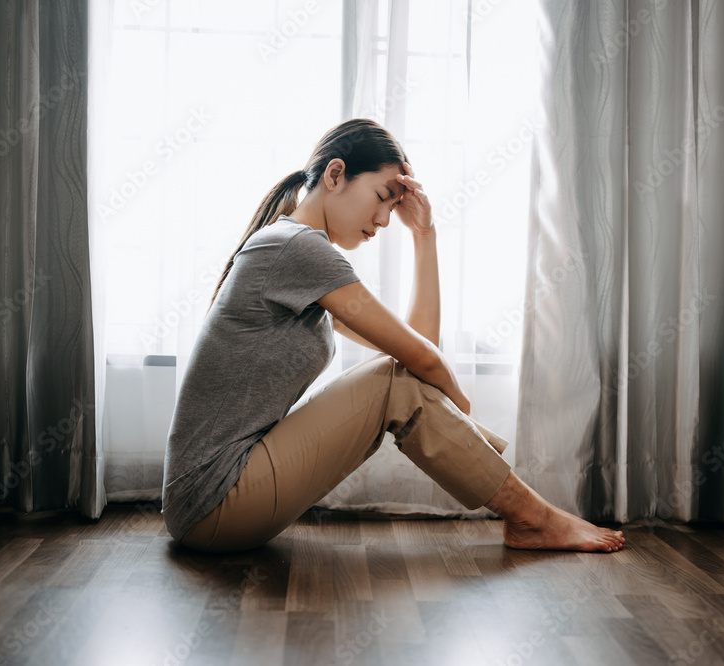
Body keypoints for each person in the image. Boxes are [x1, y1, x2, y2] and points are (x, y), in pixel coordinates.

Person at [160, 118, 625, 554]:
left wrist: (424, 235)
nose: (384, 221)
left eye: (392, 207)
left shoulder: (296, 254)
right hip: (213, 501)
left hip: (212, 502)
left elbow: (417, 347)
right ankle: (534, 518)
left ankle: (531, 516)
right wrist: (460, 406)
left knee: (397, 378)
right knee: (393, 381)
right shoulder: (298, 249)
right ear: (336, 174)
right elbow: (420, 362)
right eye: (383, 196)